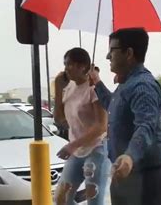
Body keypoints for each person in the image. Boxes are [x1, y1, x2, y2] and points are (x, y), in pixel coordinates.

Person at [89, 28, 161, 205]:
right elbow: (113, 106)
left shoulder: (143, 86)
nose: (107, 56)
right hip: (126, 176)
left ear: (128, 53)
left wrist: (129, 156)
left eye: (112, 50)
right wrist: (97, 82)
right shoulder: (127, 83)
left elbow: (146, 125)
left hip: (146, 182)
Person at [53, 47, 109, 205]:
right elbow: (59, 118)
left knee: (94, 199)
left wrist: (72, 145)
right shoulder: (69, 87)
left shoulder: (94, 89)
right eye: (65, 64)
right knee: (60, 198)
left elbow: (101, 126)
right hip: (76, 151)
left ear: (83, 66)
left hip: (96, 148)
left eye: (70, 64)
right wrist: (58, 88)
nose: (66, 69)